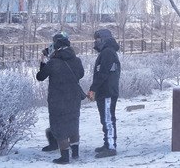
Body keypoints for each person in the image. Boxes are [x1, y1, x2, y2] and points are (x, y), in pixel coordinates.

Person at [36, 32, 84, 165]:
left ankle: (64, 157)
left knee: (60, 127)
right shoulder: (77, 60)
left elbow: (40, 77)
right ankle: (75, 153)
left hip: (58, 100)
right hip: (74, 98)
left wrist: (43, 61)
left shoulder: (53, 63)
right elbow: (81, 75)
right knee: (73, 124)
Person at [88, 28, 121, 158]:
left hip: (107, 91)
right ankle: (108, 142)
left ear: (104, 39)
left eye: (98, 40)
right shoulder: (107, 52)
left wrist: (93, 88)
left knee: (108, 119)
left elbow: (103, 73)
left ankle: (110, 146)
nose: (96, 42)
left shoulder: (107, 53)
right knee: (106, 119)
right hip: (105, 91)